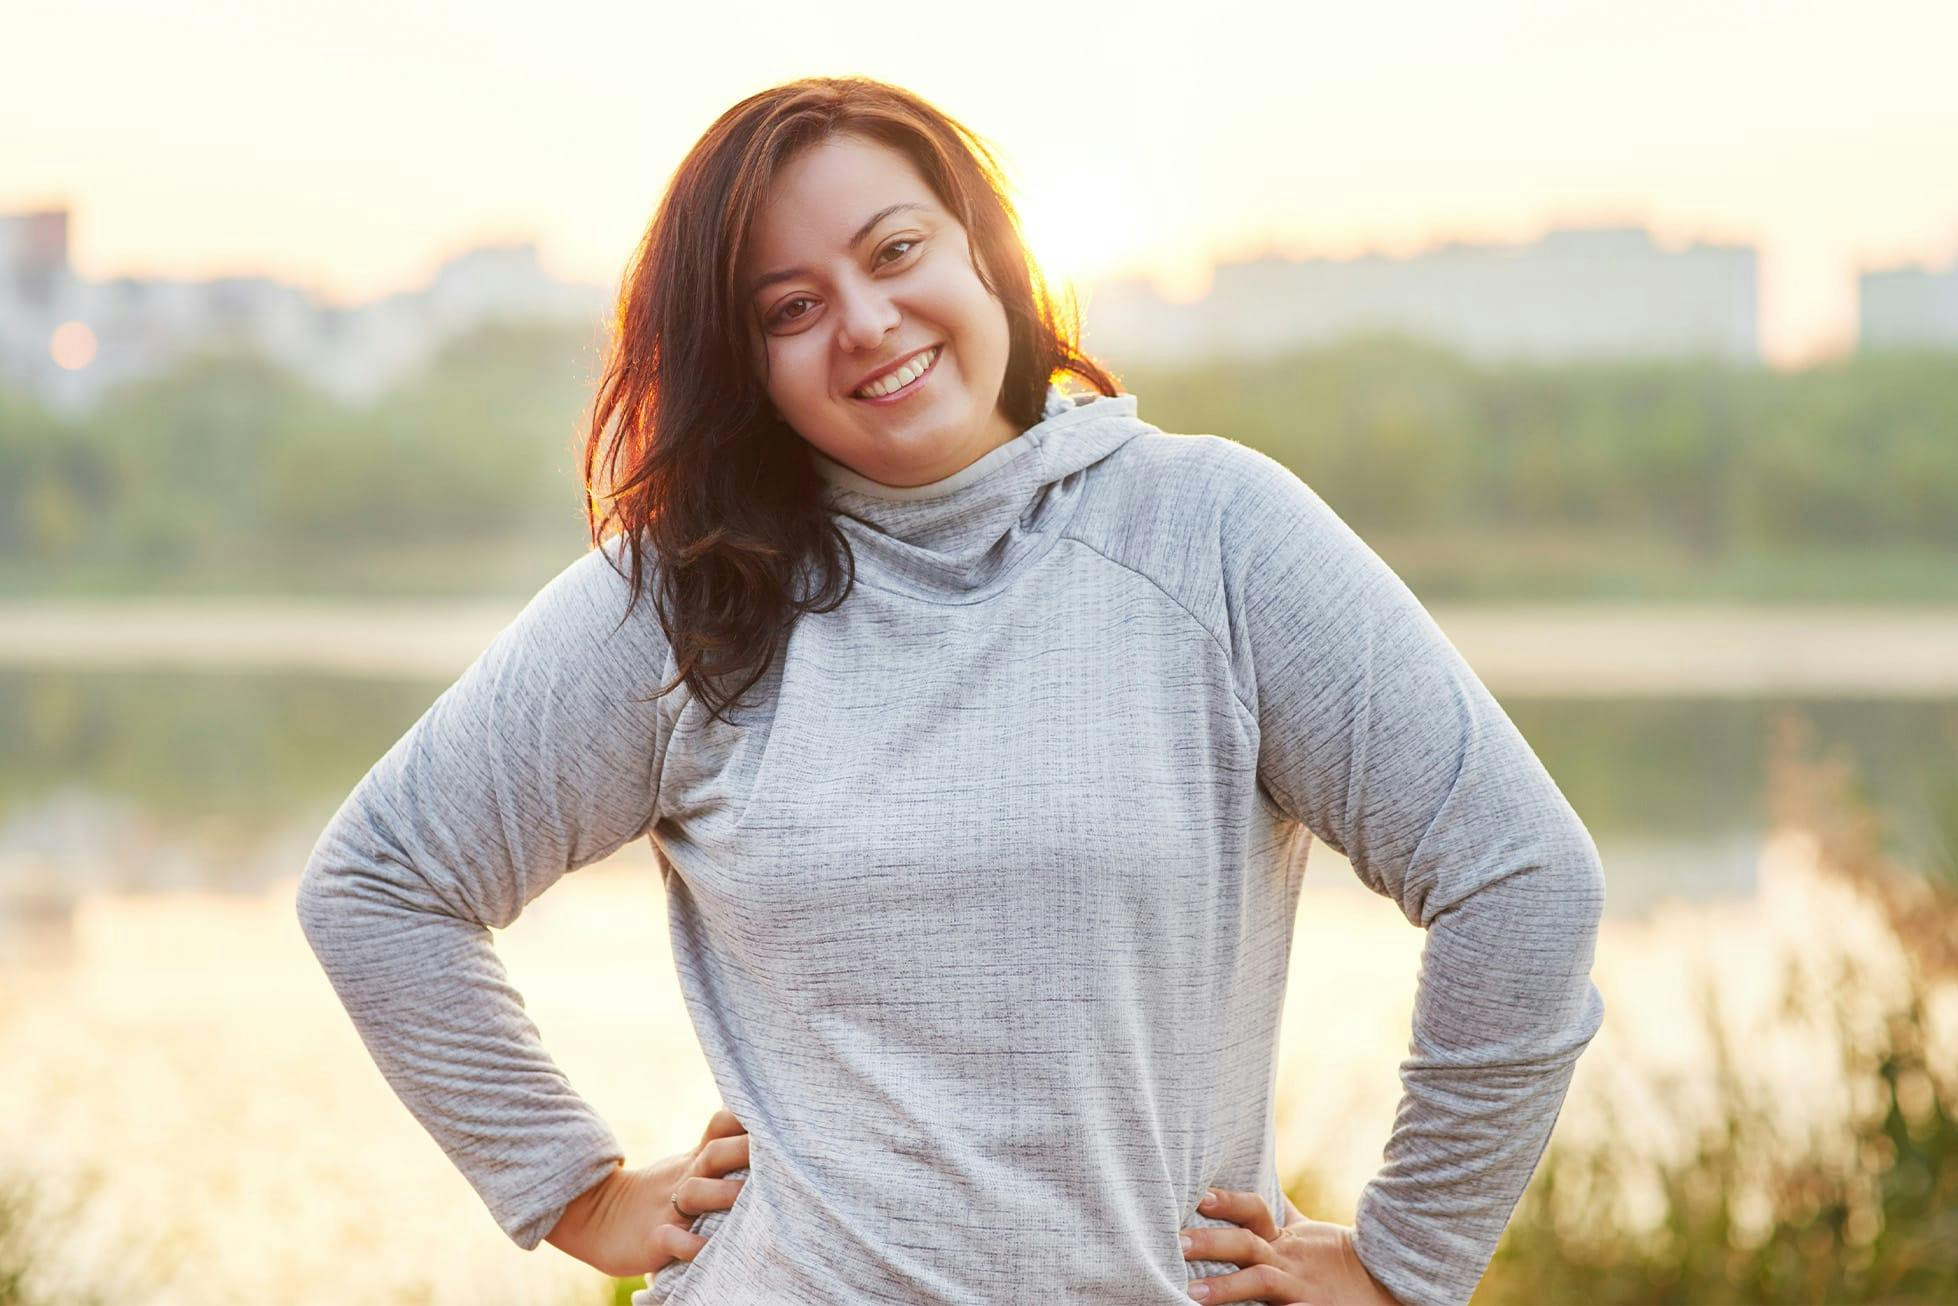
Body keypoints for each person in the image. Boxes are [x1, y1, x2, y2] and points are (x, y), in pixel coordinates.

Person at [294, 75, 1607, 1306]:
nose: (865, 322)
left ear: (989, 250)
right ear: (739, 360)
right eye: (788, 308)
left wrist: (1405, 1255)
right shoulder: (686, 596)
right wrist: (574, 1189)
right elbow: (382, 884)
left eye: (895, 251)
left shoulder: (1212, 534)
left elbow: (1517, 874)